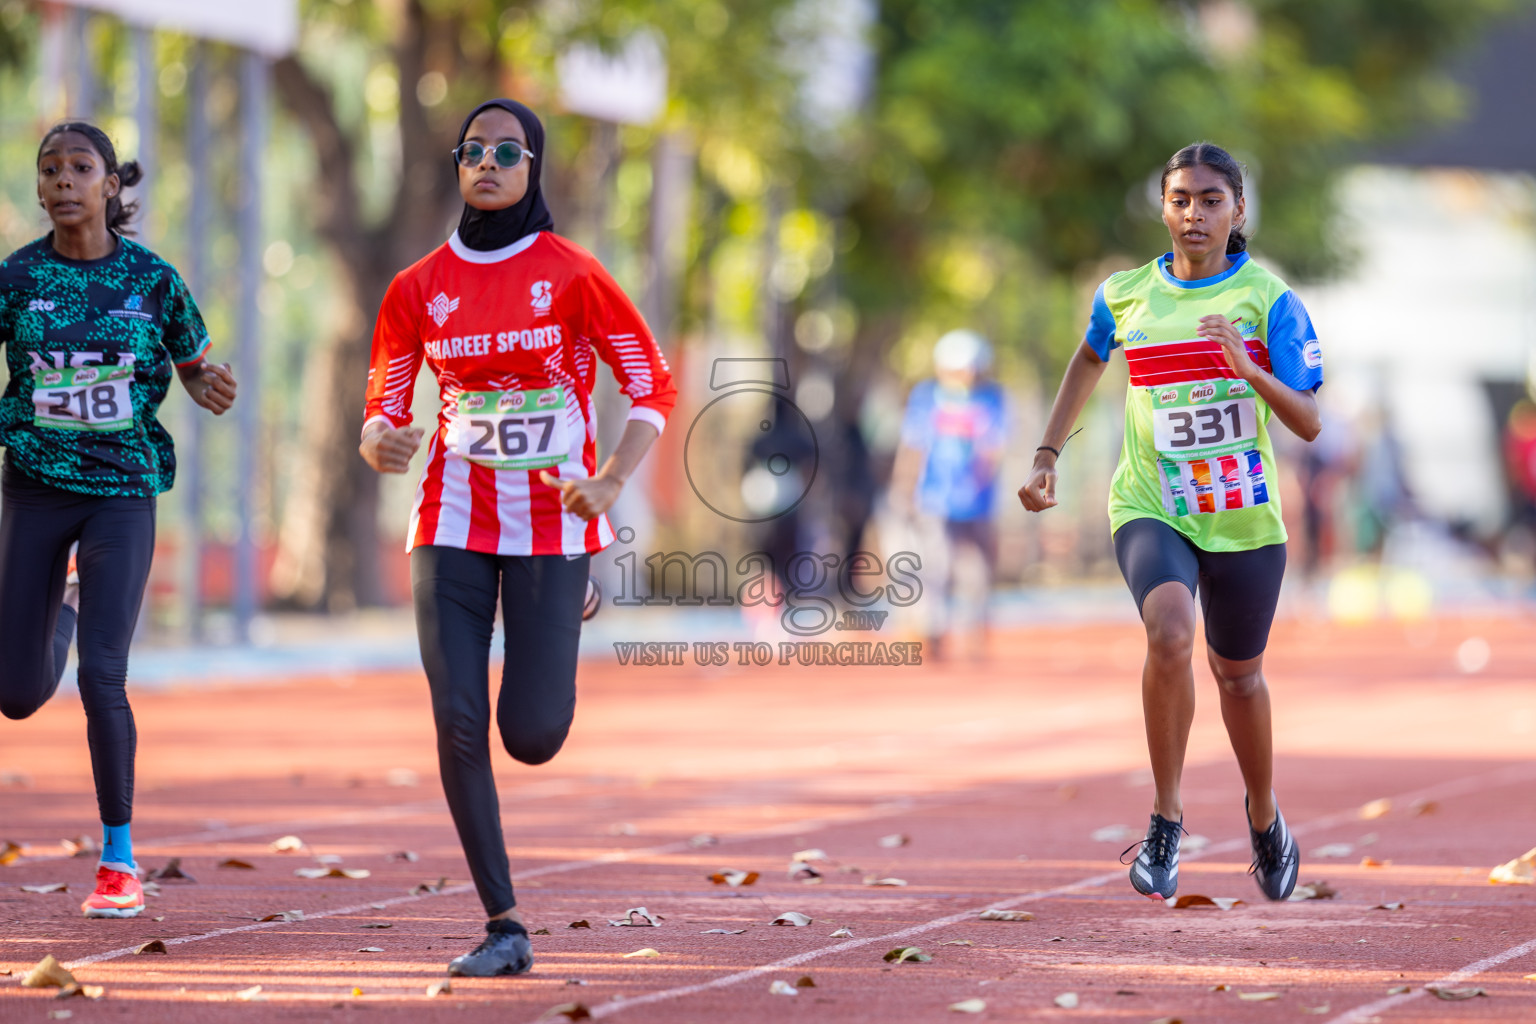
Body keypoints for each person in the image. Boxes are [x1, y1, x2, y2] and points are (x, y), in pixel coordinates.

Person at [359, 99, 675, 977]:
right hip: (449, 519)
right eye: (473, 151)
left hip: (552, 520)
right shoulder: (417, 287)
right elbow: (384, 408)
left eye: (507, 152)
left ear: (534, 166)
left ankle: (572, 596)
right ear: (457, 165)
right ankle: (504, 924)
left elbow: (651, 384)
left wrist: (611, 479)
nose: (487, 164)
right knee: (457, 718)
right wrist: (379, 440)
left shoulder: (574, 274)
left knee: (531, 735)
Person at [1019, 142, 1322, 902]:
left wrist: (1249, 370)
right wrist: (1048, 453)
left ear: (1237, 210)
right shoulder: (1125, 295)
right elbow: (1089, 358)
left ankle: (1264, 816)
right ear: (1163, 208)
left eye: (1211, 200)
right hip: (1151, 502)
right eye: (1181, 199)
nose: (1195, 214)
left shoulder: (1269, 300)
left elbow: (1309, 420)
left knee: (1238, 677)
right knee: (1170, 632)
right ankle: (1166, 817)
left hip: (1243, 519)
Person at [0, 122, 237, 918]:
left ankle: (117, 858)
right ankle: (64, 605)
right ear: (40, 188)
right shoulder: (16, 278)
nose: (63, 180)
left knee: (103, 675)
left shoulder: (152, 280)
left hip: (122, 489)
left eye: (80, 168)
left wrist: (205, 383)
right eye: (50, 170)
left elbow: (193, 362)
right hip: (34, 487)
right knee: (15, 694)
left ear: (110, 185)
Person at [891, 330, 1008, 658]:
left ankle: (974, 632)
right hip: (934, 499)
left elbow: (994, 447)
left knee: (975, 571)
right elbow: (912, 445)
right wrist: (903, 486)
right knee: (936, 567)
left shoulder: (991, 398)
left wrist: (981, 480)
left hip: (978, 503)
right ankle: (933, 629)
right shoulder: (926, 397)